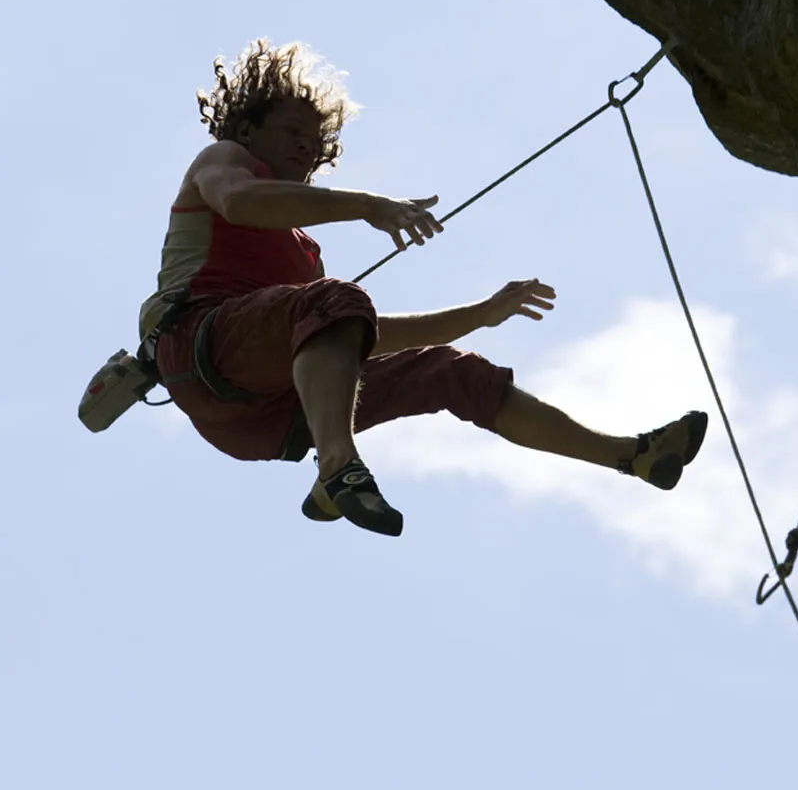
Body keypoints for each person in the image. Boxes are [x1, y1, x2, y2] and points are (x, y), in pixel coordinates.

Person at [140, 38, 708, 538]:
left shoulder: (302, 253)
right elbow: (238, 203)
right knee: (334, 302)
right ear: (247, 129)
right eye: (292, 132)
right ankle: (338, 466)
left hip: (264, 417)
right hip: (198, 346)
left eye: (314, 144)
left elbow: (359, 336)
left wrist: (482, 313)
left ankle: (631, 456)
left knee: (452, 372)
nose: (305, 149)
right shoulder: (224, 160)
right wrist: (368, 205)